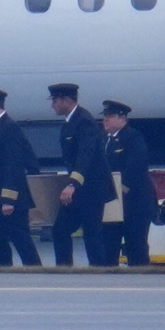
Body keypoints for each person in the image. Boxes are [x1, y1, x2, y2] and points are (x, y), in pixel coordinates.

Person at [0, 87, 42, 266]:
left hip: (10, 202)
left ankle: (39, 277)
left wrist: (8, 199)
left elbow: (14, 165)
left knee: (22, 243)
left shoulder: (9, 128)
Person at [48, 83, 116, 266]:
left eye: (55, 101)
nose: (52, 105)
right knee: (60, 230)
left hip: (92, 189)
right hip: (81, 190)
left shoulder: (84, 121)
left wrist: (72, 184)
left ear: (66, 100)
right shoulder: (71, 122)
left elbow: (85, 155)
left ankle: (100, 273)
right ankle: (65, 271)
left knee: (91, 233)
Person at [100, 100, 157, 266]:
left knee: (136, 247)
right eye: (105, 116)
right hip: (112, 205)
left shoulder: (133, 137)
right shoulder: (104, 140)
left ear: (122, 118)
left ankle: (140, 284)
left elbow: (137, 166)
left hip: (135, 204)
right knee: (108, 248)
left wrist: (121, 188)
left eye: (110, 116)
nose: (105, 120)